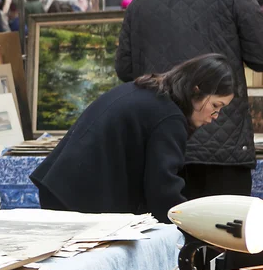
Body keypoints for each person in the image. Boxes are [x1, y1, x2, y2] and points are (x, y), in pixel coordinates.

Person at [116, 0, 263, 201]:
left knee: (168, 236)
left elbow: (125, 70)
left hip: (159, 144)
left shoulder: (140, 2)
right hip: (222, 149)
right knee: (223, 235)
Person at [30, 54, 235, 223]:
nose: (215, 117)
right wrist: (191, 229)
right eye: (215, 106)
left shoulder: (148, 92)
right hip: (77, 197)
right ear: (195, 91)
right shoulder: (168, 117)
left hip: (63, 186)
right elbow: (162, 191)